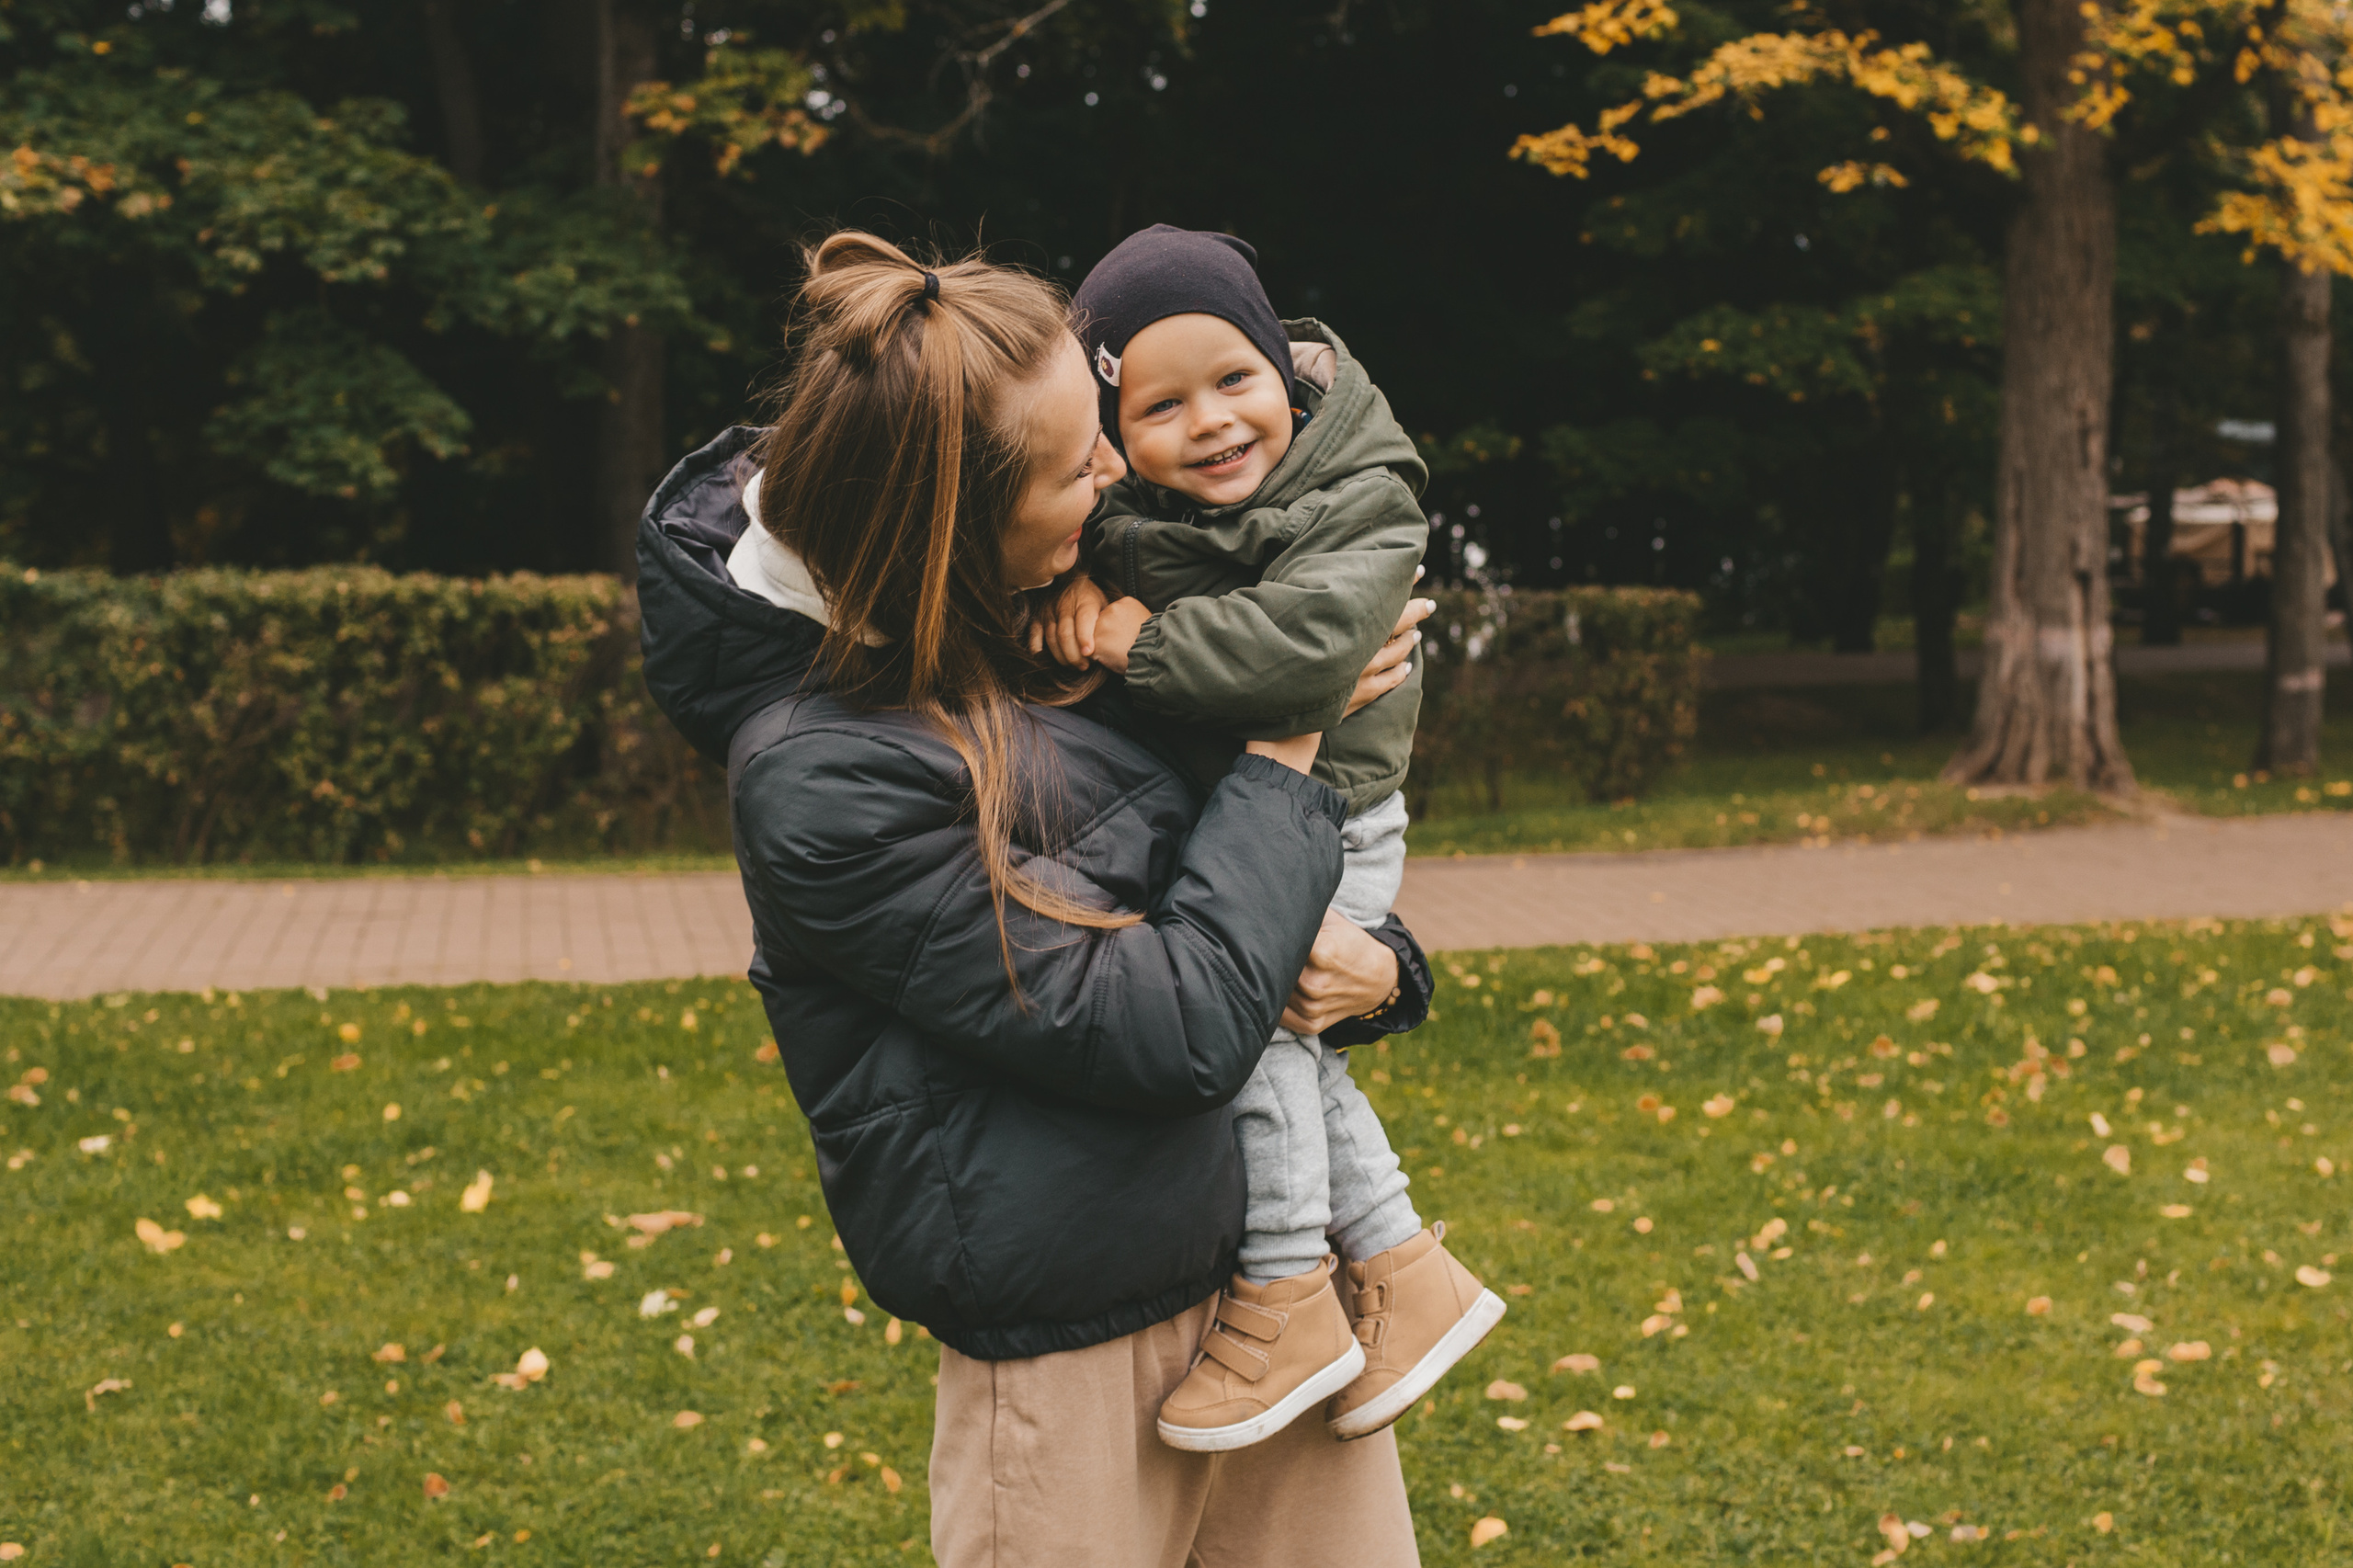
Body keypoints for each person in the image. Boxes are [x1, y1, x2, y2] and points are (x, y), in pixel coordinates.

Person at [634, 232, 1433, 1566]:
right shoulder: (822, 779)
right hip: (1074, 1362)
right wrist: (1290, 728)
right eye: (1078, 466)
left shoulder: (1033, 602)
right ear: (956, 518)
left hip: (1270, 1300)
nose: (1117, 473)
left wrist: (1388, 971)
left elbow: (1211, 873)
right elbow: (1174, 1023)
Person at [1038, 225, 1503, 1453]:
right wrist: (1077, 589)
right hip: (1247, 807)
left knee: (1252, 1030)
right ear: (1112, 430)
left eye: (1234, 379)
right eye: (1161, 405)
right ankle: (1402, 1268)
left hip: (1329, 815)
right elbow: (1088, 553)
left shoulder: (1359, 495)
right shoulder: (1147, 513)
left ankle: (1290, 1284)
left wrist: (1133, 640)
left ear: (1285, 371)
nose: (1210, 423)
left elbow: (1304, 653)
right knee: (1290, 1036)